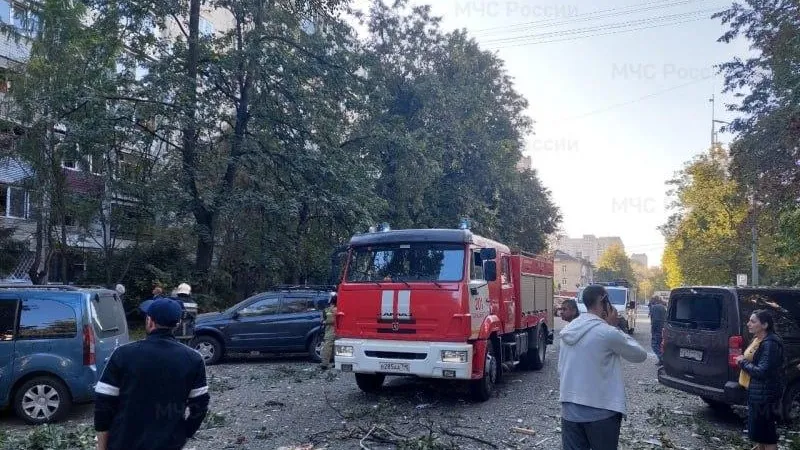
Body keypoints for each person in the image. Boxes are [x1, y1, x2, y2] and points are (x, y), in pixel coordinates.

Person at [94, 298, 210, 450]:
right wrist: (183, 434)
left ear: (149, 321)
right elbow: (200, 407)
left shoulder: (123, 354)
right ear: (177, 324)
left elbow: (104, 404)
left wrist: (102, 446)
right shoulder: (193, 359)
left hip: (123, 443)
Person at [559, 285, 648, 450]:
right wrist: (613, 326)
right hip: (601, 412)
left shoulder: (568, 330)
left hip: (569, 410)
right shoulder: (607, 332)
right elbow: (640, 355)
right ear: (603, 300)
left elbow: (561, 368)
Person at [735, 310, 784, 450]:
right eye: (749, 320)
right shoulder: (758, 339)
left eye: (753, 321)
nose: (748, 324)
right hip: (756, 393)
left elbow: (762, 371)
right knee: (760, 435)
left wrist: (742, 363)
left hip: (765, 396)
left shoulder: (770, 344)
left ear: (765, 325)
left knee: (767, 437)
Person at [320, 293, 338, 370]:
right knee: (337, 348)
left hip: (330, 331)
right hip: (339, 332)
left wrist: (324, 322)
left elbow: (323, 320)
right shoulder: (341, 308)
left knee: (327, 347)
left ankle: (324, 364)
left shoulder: (327, 310)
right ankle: (336, 363)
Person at [649, 296, 667, 366]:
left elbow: (655, 320)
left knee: (654, 345)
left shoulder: (655, 307)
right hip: (662, 328)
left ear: (654, 300)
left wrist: (653, 329)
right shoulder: (662, 307)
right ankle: (661, 360)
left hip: (657, 329)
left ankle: (662, 359)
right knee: (660, 345)